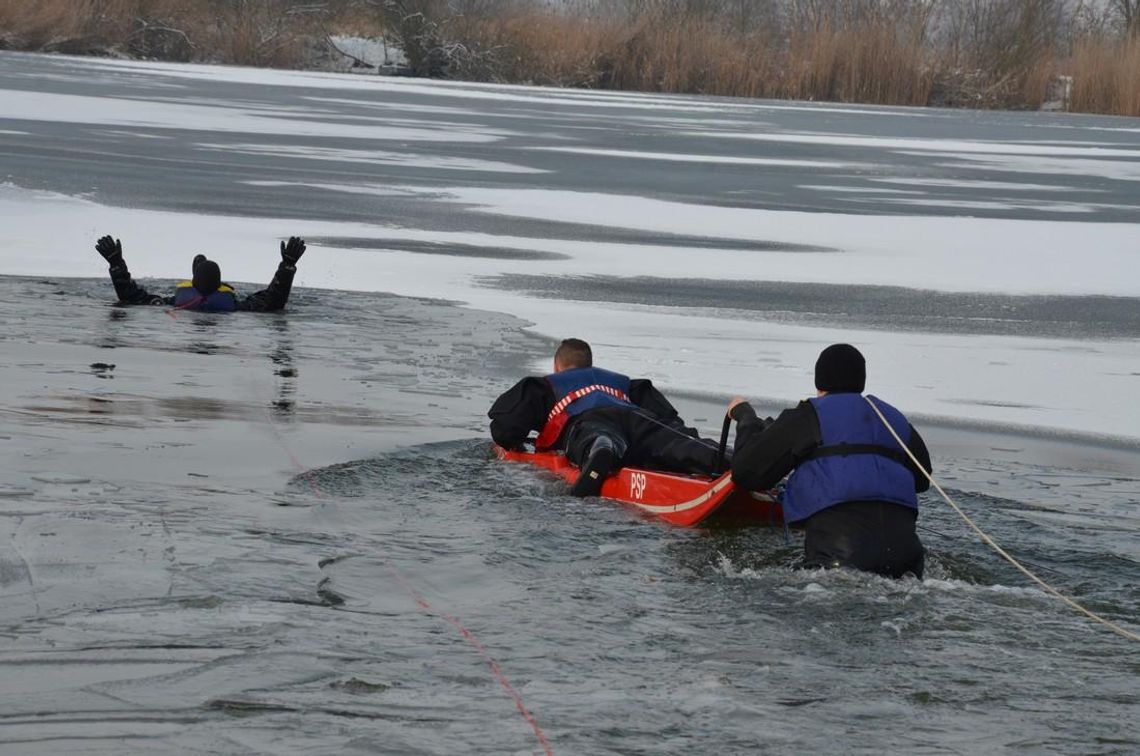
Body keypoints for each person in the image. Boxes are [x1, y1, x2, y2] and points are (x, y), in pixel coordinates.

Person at [727, 343, 932, 579]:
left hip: (838, 559)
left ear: (819, 382)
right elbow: (922, 480)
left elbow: (745, 472)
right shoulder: (892, 419)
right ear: (861, 381)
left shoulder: (809, 415)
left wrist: (745, 417)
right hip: (908, 560)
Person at [489, 338, 727, 497]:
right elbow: (671, 420)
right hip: (637, 417)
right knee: (674, 441)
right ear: (590, 363)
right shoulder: (625, 383)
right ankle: (725, 458)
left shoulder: (546, 386)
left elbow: (505, 430)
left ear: (557, 365)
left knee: (598, 437)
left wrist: (515, 444)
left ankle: (603, 449)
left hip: (589, 421)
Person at [94, 234, 306, 312]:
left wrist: (115, 263)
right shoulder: (237, 306)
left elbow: (131, 296)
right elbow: (274, 299)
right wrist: (287, 267)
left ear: (192, 283)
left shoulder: (172, 302)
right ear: (221, 284)